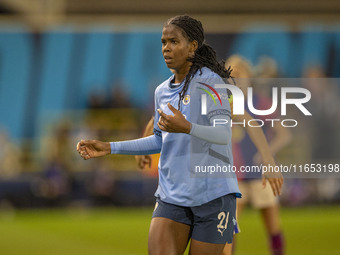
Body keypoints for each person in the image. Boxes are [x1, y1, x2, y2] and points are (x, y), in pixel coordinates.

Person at [77, 15, 283, 255]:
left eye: (173, 41)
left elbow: (222, 134)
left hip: (213, 196)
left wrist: (268, 159)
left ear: (192, 46)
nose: (166, 47)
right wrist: (110, 147)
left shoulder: (213, 84)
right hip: (172, 196)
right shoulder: (162, 91)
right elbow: (159, 139)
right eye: (163, 42)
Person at [224, 55, 290, 255]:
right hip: (235, 174)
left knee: (272, 226)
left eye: (238, 73)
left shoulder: (260, 102)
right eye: (229, 73)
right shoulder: (223, 103)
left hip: (261, 173)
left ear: (248, 76)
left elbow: (284, 135)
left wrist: (266, 155)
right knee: (229, 227)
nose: (233, 77)